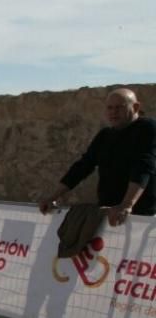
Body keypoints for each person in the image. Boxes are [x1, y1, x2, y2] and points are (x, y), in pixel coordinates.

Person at [38, 88, 156, 227]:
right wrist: (54, 196)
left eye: (119, 107)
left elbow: (144, 166)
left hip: (139, 215)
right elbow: (84, 166)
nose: (113, 112)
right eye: (110, 108)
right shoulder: (105, 135)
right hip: (107, 213)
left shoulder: (148, 129)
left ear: (135, 107)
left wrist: (126, 205)